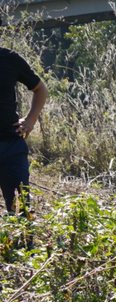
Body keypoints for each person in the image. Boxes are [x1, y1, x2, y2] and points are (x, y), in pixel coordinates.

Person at [0, 47, 48, 214]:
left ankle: (23, 241)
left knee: (20, 210)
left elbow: (40, 89)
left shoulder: (9, 59)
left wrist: (30, 120)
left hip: (10, 146)